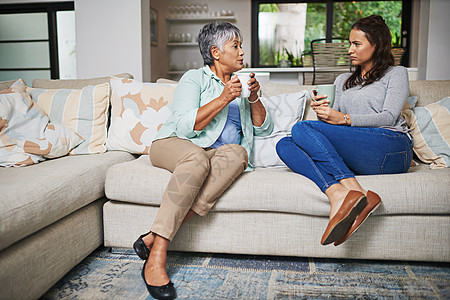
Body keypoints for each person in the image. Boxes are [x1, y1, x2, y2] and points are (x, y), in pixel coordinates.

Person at [133, 21, 273, 299]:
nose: (242, 52)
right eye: (236, 46)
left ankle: (151, 236)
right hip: (173, 144)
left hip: (215, 154)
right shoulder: (194, 79)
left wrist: (254, 97)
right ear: (216, 52)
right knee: (197, 159)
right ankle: (157, 254)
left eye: (241, 45)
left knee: (239, 154)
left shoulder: (242, 83)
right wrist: (224, 98)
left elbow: (263, 129)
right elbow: (186, 127)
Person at [276, 15, 413, 247]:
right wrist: (325, 114)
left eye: (356, 44)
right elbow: (334, 128)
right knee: (285, 144)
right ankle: (339, 195)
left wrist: (344, 119)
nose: (350, 49)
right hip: (360, 153)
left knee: (302, 128)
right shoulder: (342, 81)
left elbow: (389, 116)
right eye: (350, 43)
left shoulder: (395, 74)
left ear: (377, 45)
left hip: (392, 146)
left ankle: (354, 191)